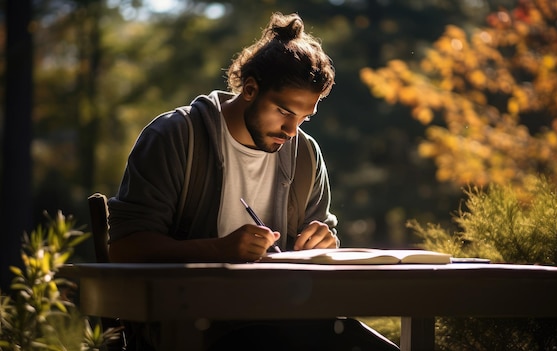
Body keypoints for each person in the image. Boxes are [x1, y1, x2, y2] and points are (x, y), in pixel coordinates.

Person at [107, 12, 399, 351]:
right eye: (285, 112)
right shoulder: (175, 137)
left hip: (289, 321)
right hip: (192, 329)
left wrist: (324, 244)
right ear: (250, 88)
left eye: (305, 118)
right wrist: (217, 250)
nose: (292, 131)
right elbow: (124, 250)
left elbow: (320, 250)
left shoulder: (305, 155)